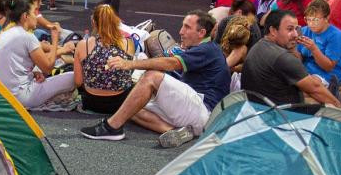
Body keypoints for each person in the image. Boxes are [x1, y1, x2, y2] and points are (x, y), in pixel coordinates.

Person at [81, 11, 230, 147]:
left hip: (203, 111)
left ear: (201, 33)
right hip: (194, 111)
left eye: (187, 27)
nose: (181, 32)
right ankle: (176, 132)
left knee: (151, 77)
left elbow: (171, 64)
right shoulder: (203, 49)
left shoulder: (207, 49)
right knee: (131, 104)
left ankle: (111, 127)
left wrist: (129, 64)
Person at [241, 10, 341, 108]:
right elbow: (315, 88)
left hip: (256, 110)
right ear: (273, 31)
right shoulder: (282, 57)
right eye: (290, 29)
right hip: (282, 116)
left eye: (296, 29)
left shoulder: (258, 46)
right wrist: (339, 107)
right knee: (326, 103)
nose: (295, 34)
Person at [0, 0, 75, 110]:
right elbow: (48, 68)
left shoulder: (4, 32)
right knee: (74, 76)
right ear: (25, 16)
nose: (37, 16)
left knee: (39, 71)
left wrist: (34, 73)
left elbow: (14, 65)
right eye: (35, 12)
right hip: (22, 97)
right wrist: (55, 40)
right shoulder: (27, 36)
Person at [72, 4, 136, 115]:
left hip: (92, 102)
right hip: (120, 103)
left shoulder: (84, 45)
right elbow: (128, 73)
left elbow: (78, 82)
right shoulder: (127, 43)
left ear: (94, 22)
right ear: (116, 22)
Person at [297, 0, 341, 94]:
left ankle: (333, 96)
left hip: (328, 74)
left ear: (327, 18)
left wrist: (314, 49)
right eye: (308, 19)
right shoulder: (305, 30)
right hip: (307, 71)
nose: (311, 24)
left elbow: (328, 67)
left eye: (315, 20)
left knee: (306, 87)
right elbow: (299, 59)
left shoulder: (336, 36)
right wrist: (292, 48)